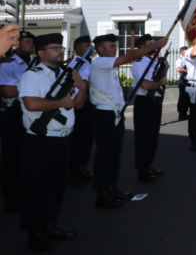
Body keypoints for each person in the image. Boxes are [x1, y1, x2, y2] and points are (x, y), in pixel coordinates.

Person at [18, 33, 88, 251]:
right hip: (41, 141)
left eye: (61, 47)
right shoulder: (32, 75)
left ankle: (50, 224)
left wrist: (82, 88)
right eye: (55, 47)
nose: (61, 50)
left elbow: (77, 105)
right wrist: (61, 101)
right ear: (41, 53)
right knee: (36, 188)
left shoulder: (66, 74)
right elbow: (30, 104)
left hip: (64, 139)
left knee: (56, 188)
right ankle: (35, 232)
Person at [90, 33, 166, 208]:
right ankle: (102, 193)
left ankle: (112, 187)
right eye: (111, 46)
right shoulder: (100, 62)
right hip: (105, 114)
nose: (115, 49)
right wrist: (154, 46)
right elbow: (131, 56)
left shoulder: (109, 66)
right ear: (100, 49)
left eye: (115, 46)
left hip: (115, 113)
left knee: (115, 153)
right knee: (105, 154)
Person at [0, 30, 35, 212]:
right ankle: (11, 198)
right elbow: (7, 92)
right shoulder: (9, 65)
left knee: (28, 158)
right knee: (13, 158)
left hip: (31, 113)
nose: (31, 45)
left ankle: (25, 194)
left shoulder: (35, 63)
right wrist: (34, 89)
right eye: (27, 41)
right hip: (14, 114)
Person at [130, 34, 167, 182]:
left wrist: (165, 68)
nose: (154, 46)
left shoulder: (152, 62)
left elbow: (160, 78)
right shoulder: (139, 63)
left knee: (152, 135)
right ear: (142, 47)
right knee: (143, 137)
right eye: (151, 44)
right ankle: (142, 169)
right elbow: (145, 85)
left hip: (155, 99)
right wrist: (160, 83)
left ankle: (148, 164)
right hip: (144, 101)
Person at [68, 35, 95, 186]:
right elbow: (83, 83)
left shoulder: (87, 62)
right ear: (78, 48)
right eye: (86, 46)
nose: (90, 48)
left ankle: (82, 168)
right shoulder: (78, 63)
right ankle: (74, 171)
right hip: (80, 105)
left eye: (90, 46)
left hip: (88, 104)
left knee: (87, 139)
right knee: (79, 140)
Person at [175, 46, 190, 121]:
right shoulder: (180, 60)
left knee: (188, 98)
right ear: (182, 52)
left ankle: (186, 113)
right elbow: (178, 69)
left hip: (189, 80)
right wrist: (187, 70)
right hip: (183, 80)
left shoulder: (188, 59)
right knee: (183, 97)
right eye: (186, 51)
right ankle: (182, 114)